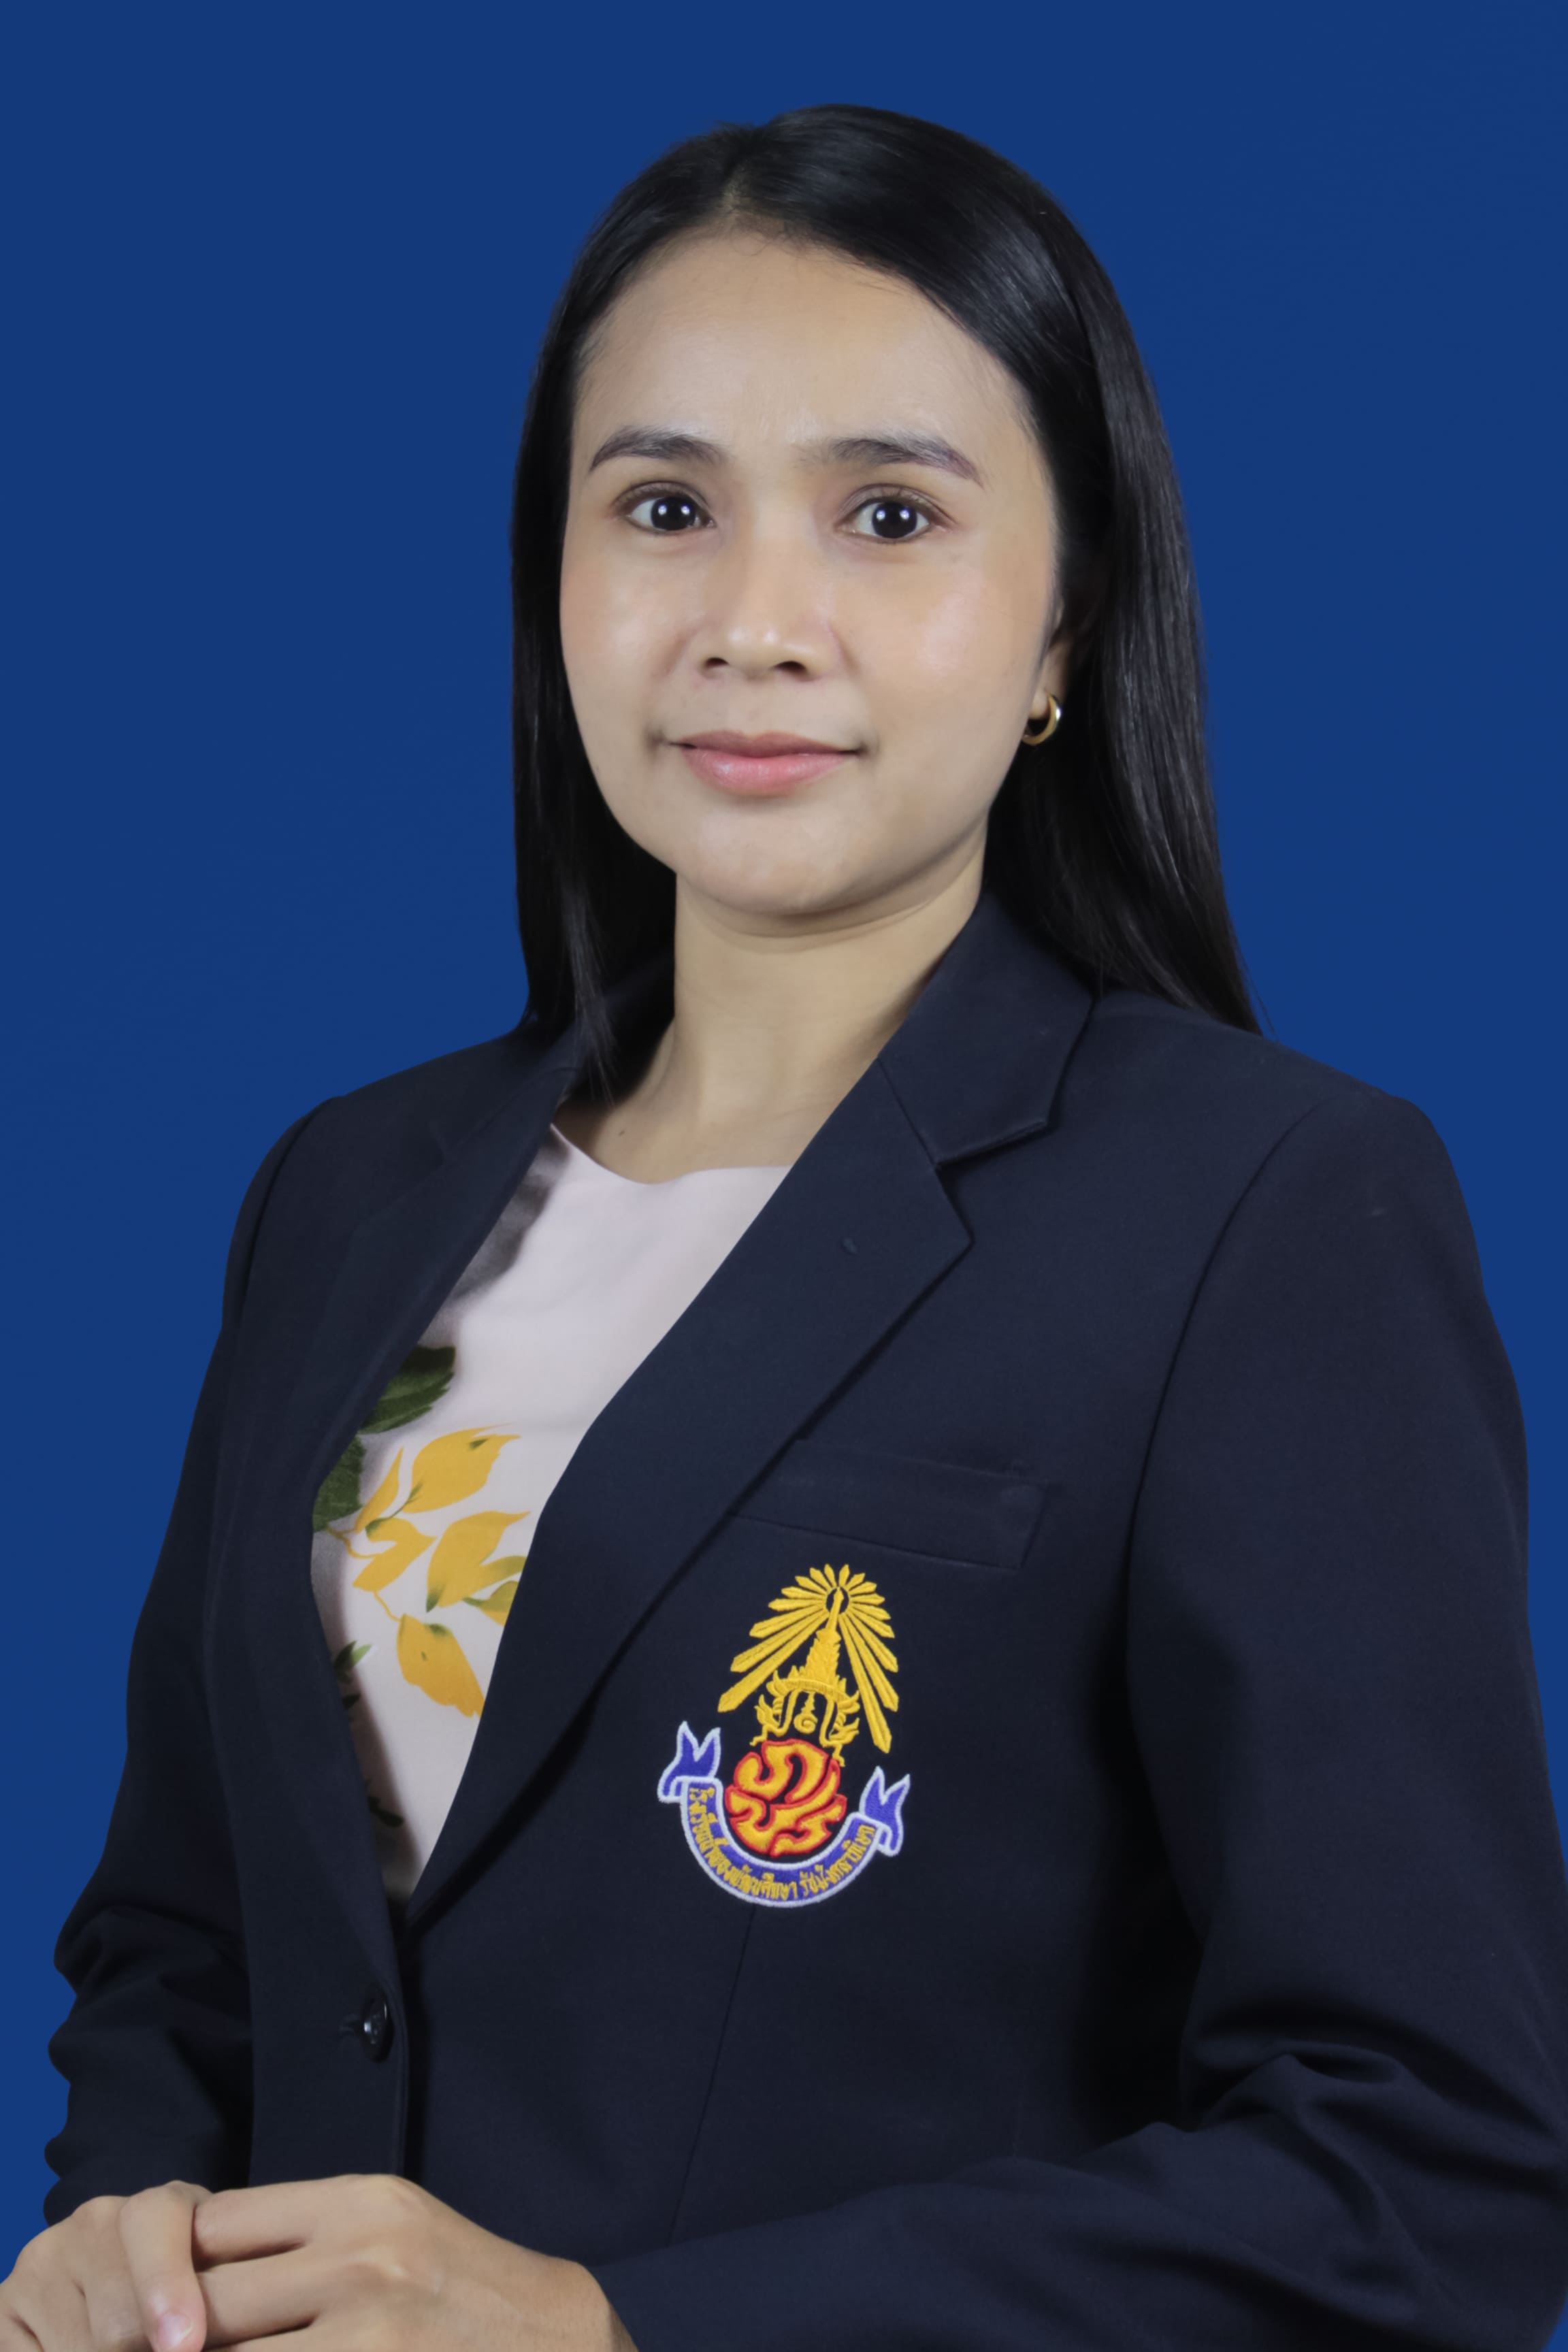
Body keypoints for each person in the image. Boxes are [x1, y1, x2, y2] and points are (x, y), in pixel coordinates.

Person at [7, 99, 1568, 2352]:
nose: (753, 623)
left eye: (889, 515)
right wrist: (125, 2223)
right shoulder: (350, 1192)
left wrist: (619, 2330)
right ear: (553, 583)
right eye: (664, 507)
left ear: (1065, 621)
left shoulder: (1266, 1213)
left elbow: (1430, 2176)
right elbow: (184, 1944)